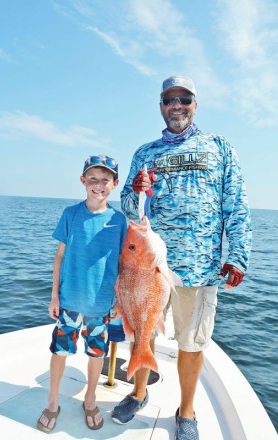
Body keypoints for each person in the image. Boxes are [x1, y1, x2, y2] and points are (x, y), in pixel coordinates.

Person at [111, 75, 252, 440]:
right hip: (147, 266)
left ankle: (186, 412)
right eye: (170, 100)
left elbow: (235, 205)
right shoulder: (145, 153)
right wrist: (135, 190)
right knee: (143, 330)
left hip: (199, 266)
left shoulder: (219, 146)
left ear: (195, 103)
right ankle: (139, 393)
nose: (177, 106)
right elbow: (128, 206)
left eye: (184, 99)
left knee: (192, 342)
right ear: (161, 106)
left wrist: (237, 255)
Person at [37, 155, 127, 433]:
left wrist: (120, 302)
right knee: (60, 350)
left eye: (104, 180)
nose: (98, 185)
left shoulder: (119, 221)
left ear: (114, 184)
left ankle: (90, 398)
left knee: (96, 353)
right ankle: (53, 401)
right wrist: (54, 296)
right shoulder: (70, 214)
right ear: (82, 181)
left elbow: (124, 265)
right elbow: (59, 256)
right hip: (69, 302)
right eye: (92, 179)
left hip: (101, 305)